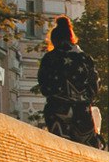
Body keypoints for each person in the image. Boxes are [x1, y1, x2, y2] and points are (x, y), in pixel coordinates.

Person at [37, 16, 102, 147]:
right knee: (86, 151)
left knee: (59, 149)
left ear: (54, 40)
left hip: (56, 110)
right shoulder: (85, 58)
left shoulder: (49, 58)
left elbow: (44, 85)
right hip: (82, 113)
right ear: (72, 38)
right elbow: (95, 86)